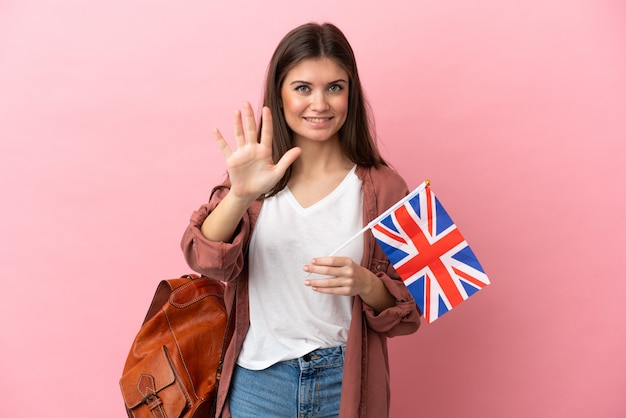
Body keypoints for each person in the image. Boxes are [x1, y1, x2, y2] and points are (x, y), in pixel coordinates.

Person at [181, 22, 421, 418]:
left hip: (344, 381)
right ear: (280, 93)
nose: (320, 104)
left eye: (335, 87)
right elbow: (204, 258)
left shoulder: (385, 186)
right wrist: (240, 194)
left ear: (351, 93)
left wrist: (367, 283)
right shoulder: (256, 175)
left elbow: (409, 312)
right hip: (258, 383)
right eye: (303, 88)